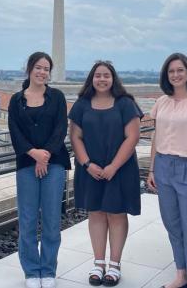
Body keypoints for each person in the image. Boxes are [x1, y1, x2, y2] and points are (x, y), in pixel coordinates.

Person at [69, 61, 142, 287]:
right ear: (92, 78)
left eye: (106, 75)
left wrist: (114, 166)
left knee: (117, 214)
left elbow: (133, 137)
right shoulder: (82, 104)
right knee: (97, 213)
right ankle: (98, 263)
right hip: (91, 170)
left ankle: (115, 265)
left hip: (119, 169)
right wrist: (87, 164)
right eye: (98, 75)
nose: (102, 79)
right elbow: (75, 137)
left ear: (113, 78)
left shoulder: (125, 104)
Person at [146, 53, 187, 288]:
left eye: (180, 70)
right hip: (164, 167)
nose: (175, 75)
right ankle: (181, 274)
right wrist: (152, 170)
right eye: (171, 71)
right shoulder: (161, 102)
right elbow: (157, 137)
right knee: (172, 224)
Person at [8, 52, 71, 288]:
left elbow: (60, 128)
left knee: (52, 218)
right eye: (38, 67)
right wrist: (34, 153)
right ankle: (31, 271)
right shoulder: (16, 100)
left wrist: (45, 155)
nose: (42, 72)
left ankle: (48, 269)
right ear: (29, 69)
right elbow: (15, 133)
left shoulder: (57, 97)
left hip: (53, 163)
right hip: (26, 164)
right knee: (27, 219)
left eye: (46, 68)